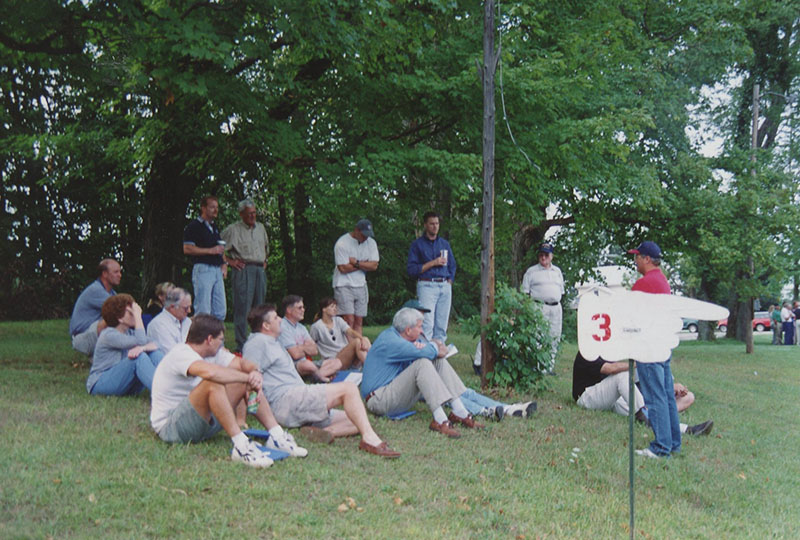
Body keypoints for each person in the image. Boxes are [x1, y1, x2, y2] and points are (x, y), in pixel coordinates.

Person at [150, 314, 306, 468]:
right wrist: (248, 378)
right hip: (172, 428)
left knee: (244, 379)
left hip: (202, 423)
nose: (222, 344)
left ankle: (276, 436)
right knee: (212, 383)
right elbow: (211, 373)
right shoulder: (181, 353)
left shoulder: (214, 353)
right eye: (221, 340)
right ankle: (240, 445)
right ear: (209, 340)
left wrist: (255, 372)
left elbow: (243, 363)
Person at [243, 304, 400, 457]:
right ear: (266, 326)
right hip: (286, 400)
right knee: (349, 388)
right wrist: (246, 417)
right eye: (276, 317)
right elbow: (248, 380)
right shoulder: (257, 343)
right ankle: (370, 440)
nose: (280, 320)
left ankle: (323, 432)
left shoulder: (273, 343)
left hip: (297, 400)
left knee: (356, 419)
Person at [361, 307, 481, 438]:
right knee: (422, 363)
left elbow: (431, 352)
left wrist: (427, 348)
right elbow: (431, 351)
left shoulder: (404, 338)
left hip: (392, 393)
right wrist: (433, 347)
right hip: (378, 400)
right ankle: (440, 419)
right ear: (408, 330)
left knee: (436, 360)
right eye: (419, 327)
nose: (422, 331)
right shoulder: (391, 341)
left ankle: (460, 411)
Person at [628, 240, 681, 459]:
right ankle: (673, 443)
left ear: (647, 259)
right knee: (667, 395)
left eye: (637, 256)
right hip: (662, 344)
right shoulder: (662, 281)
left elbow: (628, 311)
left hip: (648, 345)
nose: (635, 260)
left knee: (655, 397)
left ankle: (660, 448)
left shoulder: (644, 283)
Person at [86, 294, 164, 395]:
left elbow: (157, 343)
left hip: (123, 382)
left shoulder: (129, 333)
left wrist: (143, 348)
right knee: (138, 358)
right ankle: (164, 393)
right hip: (100, 383)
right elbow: (141, 341)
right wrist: (138, 317)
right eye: (130, 312)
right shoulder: (109, 335)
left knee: (154, 353)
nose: (134, 315)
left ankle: (174, 385)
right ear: (120, 318)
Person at [221, 199, 269, 351]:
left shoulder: (261, 228)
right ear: (241, 214)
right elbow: (217, 247)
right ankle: (241, 345)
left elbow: (266, 247)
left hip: (259, 270)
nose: (253, 216)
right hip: (243, 270)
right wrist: (229, 261)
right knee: (243, 309)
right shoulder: (233, 229)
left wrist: (264, 260)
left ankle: (259, 342)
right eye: (249, 214)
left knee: (260, 309)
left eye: (254, 213)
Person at [406, 211, 457, 342]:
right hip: (427, 285)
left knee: (441, 325)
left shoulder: (444, 244)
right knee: (427, 323)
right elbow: (411, 270)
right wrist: (433, 262)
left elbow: (453, 265)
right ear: (425, 225)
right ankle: (425, 355)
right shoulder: (417, 245)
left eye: (437, 223)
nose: (435, 226)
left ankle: (439, 357)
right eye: (432, 224)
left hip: (444, 286)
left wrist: (450, 281)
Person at [521, 243, 564, 371]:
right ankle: (536, 367)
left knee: (554, 336)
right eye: (541, 254)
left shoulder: (557, 272)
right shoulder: (531, 271)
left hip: (556, 308)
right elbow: (525, 293)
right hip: (539, 307)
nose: (543, 257)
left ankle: (549, 367)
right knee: (537, 336)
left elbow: (561, 291)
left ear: (552, 256)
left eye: (546, 254)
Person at [183, 195, 227, 321]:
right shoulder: (194, 226)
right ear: (203, 208)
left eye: (217, 207)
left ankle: (217, 340)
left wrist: (224, 263)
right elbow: (187, 248)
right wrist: (210, 251)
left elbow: (220, 247)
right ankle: (201, 338)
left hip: (217, 270)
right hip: (203, 269)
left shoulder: (214, 227)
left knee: (220, 310)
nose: (215, 210)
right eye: (212, 207)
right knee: (204, 310)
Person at [332, 219, 379, 334]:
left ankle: (357, 348)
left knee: (359, 321)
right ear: (356, 230)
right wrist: (365, 264)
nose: (365, 238)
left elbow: (374, 265)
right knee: (348, 320)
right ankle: (347, 347)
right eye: (363, 235)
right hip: (344, 284)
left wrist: (356, 263)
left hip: (361, 284)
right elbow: (342, 268)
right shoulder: (342, 243)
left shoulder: (371, 243)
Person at [279, 295, 341, 382]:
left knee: (336, 362)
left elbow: (314, 351)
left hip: (306, 363)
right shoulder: (282, 326)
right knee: (307, 364)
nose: (303, 310)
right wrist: (305, 348)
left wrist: (300, 348)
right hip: (292, 365)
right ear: (289, 310)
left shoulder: (301, 328)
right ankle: (320, 376)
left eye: (303, 307)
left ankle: (316, 375)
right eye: (299, 308)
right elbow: (295, 355)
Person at [69, 259, 121, 356]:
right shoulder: (96, 290)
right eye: (116, 272)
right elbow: (122, 310)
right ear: (104, 274)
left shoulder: (112, 293)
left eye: (120, 272)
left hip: (91, 334)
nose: (120, 275)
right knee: (115, 317)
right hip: (82, 339)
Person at [309, 297, 371, 371]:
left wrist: (362, 338)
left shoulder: (338, 320)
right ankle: (372, 368)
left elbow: (350, 331)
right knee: (357, 341)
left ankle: (372, 366)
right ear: (324, 309)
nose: (335, 309)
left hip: (346, 356)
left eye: (336, 306)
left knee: (364, 339)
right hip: (334, 360)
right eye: (332, 306)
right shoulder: (317, 327)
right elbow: (311, 344)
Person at [147, 288, 193, 355]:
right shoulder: (158, 325)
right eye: (186, 308)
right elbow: (172, 354)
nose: (189, 311)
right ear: (172, 307)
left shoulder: (187, 321)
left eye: (190, 307)